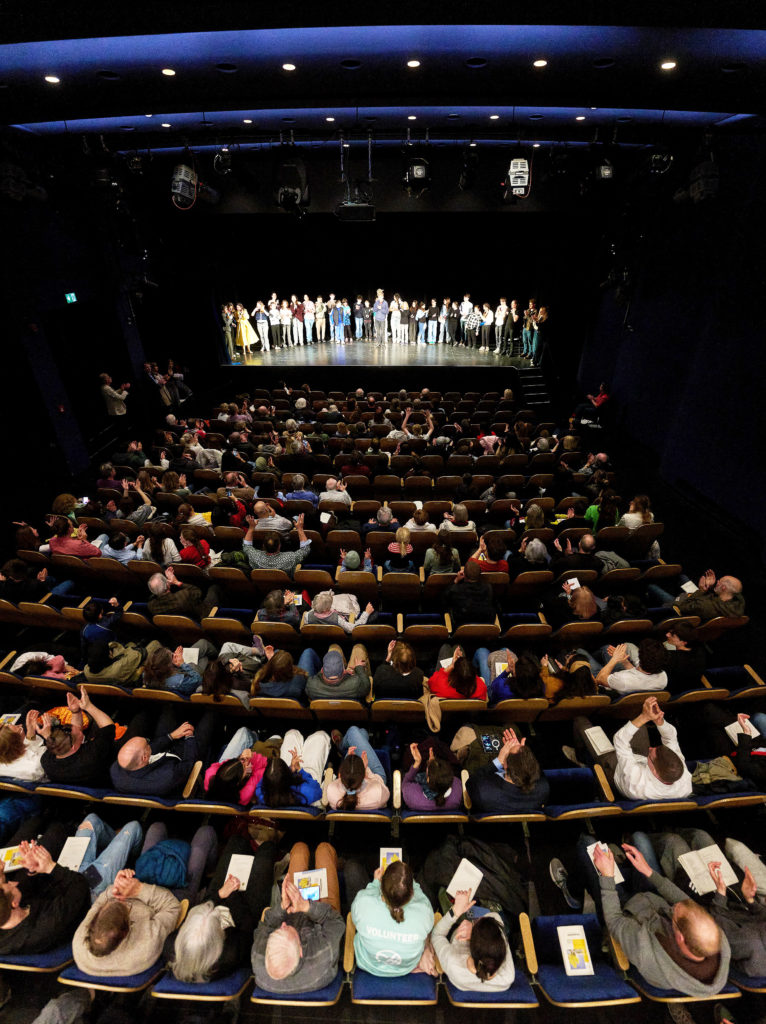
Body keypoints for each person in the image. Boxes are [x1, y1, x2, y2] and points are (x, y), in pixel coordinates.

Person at [584, 840, 730, 998]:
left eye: (674, 913)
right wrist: (649, 873)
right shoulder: (716, 941)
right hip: (652, 900)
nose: (674, 906)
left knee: (587, 845)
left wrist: (607, 876)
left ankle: (574, 888)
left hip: (625, 910)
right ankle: (619, 861)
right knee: (641, 840)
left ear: (680, 937)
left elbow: (614, 920)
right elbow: (687, 905)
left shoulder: (647, 954)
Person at [169, 836, 277, 983]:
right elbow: (248, 925)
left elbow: (200, 909)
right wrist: (233, 894)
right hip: (244, 913)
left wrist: (220, 894)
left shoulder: (171, 947)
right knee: (266, 850)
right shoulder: (229, 954)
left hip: (218, 898)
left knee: (237, 842)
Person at [252, 842, 344, 993]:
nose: (282, 926)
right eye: (286, 929)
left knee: (299, 849)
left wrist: (282, 906)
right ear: (301, 951)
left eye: (278, 930)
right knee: (323, 850)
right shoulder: (322, 957)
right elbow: (336, 921)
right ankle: (336, 863)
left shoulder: (259, 958)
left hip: (291, 910)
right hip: (321, 919)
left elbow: (267, 923)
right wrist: (308, 907)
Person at [574, 695, 692, 800]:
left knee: (580, 721)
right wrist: (659, 721)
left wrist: (644, 717)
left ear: (655, 772)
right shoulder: (684, 779)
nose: (650, 748)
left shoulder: (635, 780)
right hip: (639, 760)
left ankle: (580, 758)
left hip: (616, 770)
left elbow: (620, 740)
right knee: (637, 723)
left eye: (651, 754)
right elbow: (671, 737)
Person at [73, 868, 181, 976]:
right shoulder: (146, 946)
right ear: (127, 930)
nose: (122, 900)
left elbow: (100, 901)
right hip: (155, 897)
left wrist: (117, 886)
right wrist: (139, 890)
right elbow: (172, 907)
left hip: (132, 886)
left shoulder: (80, 943)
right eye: (126, 908)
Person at [0, 839, 91, 956]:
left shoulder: (7, 915)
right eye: (8, 885)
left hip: (66, 884)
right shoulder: (48, 923)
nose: (14, 883)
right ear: (14, 903)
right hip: (86, 894)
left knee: (89, 824)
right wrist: (51, 867)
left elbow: (30, 890)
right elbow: (80, 885)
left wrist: (32, 869)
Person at [349, 859, 434, 976]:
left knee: (352, 868)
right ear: (411, 893)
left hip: (368, 963)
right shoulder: (424, 911)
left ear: (382, 889)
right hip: (406, 968)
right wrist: (412, 883)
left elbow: (354, 918)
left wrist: (374, 883)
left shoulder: (363, 902)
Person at [110, 710, 215, 796]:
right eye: (147, 744)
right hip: (183, 759)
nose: (148, 742)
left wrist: (171, 736)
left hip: (162, 754)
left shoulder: (117, 768)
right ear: (144, 758)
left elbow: (152, 748)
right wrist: (189, 737)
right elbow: (188, 763)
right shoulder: (168, 776)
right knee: (211, 715)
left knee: (169, 710)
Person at [431, 890, 514, 991]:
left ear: (469, 945)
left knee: (442, 892)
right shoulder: (507, 976)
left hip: (458, 925)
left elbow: (437, 935)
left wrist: (455, 912)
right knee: (494, 909)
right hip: (485, 922)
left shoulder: (454, 964)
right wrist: (475, 928)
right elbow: (495, 918)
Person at [39, 686, 119, 786]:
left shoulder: (47, 761)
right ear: (74, 747)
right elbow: (109, 727)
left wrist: (75, 711)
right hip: (104, 778)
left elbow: (73, 733)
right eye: (80, 732)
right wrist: (88, 706)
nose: (79, 729)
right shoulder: (93, 754)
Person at [466, 728, 549, 813]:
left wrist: (497, 762)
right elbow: (537, 773)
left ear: (505, 765)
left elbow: (470, 782)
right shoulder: (543, 789)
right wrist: (521, 754)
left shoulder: (483, 792)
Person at [204, 727, 281, 804]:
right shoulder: (245, 793)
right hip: (253, 771)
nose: (244, 763)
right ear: (238, 782)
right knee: (276, 737)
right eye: (243, 766)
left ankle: (254, 736)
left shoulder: (210, 776)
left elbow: (222, 763)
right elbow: (265, 768)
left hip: (236, 770)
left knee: (243, 731)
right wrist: (252, 760)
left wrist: (240, 758)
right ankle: (257, 741)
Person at [256, 730, 330, 807]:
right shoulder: (304, 793)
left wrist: (290, 768)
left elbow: (262, 784)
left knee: (291, 734)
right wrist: (300, 770)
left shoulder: (263, 796)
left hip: (288, 778)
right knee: (320, 736)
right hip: (306, 780)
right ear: (288, 775)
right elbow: (317, 789)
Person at [326, 726, 390, 810]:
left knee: (356, 734)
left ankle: (340, 745)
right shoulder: (379, 794)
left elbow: (340, 778)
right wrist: (366, 770)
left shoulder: (331, 792)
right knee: (354, 731)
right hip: (375, 778)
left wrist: (348, 759)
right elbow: (381, 784)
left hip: (358, 775)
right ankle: (343, 744)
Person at [586, 640, 669, 694]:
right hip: (620, 681)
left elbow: (600, 679)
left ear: (640, 658)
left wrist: (614, 659)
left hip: (607, 683)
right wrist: (624, 661)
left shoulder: (623, 679)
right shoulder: (663, 677)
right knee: (607, 648)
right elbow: (638, 675)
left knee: (580, 652)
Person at [242, 512, 311, 576]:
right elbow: (305, 549)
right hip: (285, 588)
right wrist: (300, 529)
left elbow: (246, 546)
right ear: (279, 545)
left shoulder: (254, 557)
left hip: (262, 587)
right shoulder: (290, 558)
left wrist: (251, 528)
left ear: (263, 546)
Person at [402, 740, 462, 812]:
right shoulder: (457, 795)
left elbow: (405, 783)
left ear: (428, 780)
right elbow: (454, 780)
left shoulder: (413, 798)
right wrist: (433, 765)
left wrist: (417, 762)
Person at [305, 647, 371, 702]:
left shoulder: (311, 685)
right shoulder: (356, 684)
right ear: (344, 671)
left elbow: (317, 677)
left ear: (322, 670)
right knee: (358, 648)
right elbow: (366, 685)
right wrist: (359, 668)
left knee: (333, 647)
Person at [445, 560, 496, 626]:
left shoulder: (456, 589)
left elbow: (444, 600)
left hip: (461, 627)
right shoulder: (488, 588)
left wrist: (455, 581)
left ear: (464, 575)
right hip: (485, 627)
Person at [303, 590, 374, 633]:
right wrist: (366, 613)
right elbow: (353, 629)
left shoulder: (307, 616)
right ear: (327, 609)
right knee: (375, 615)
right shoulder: (336, 619)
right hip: (342, 633)